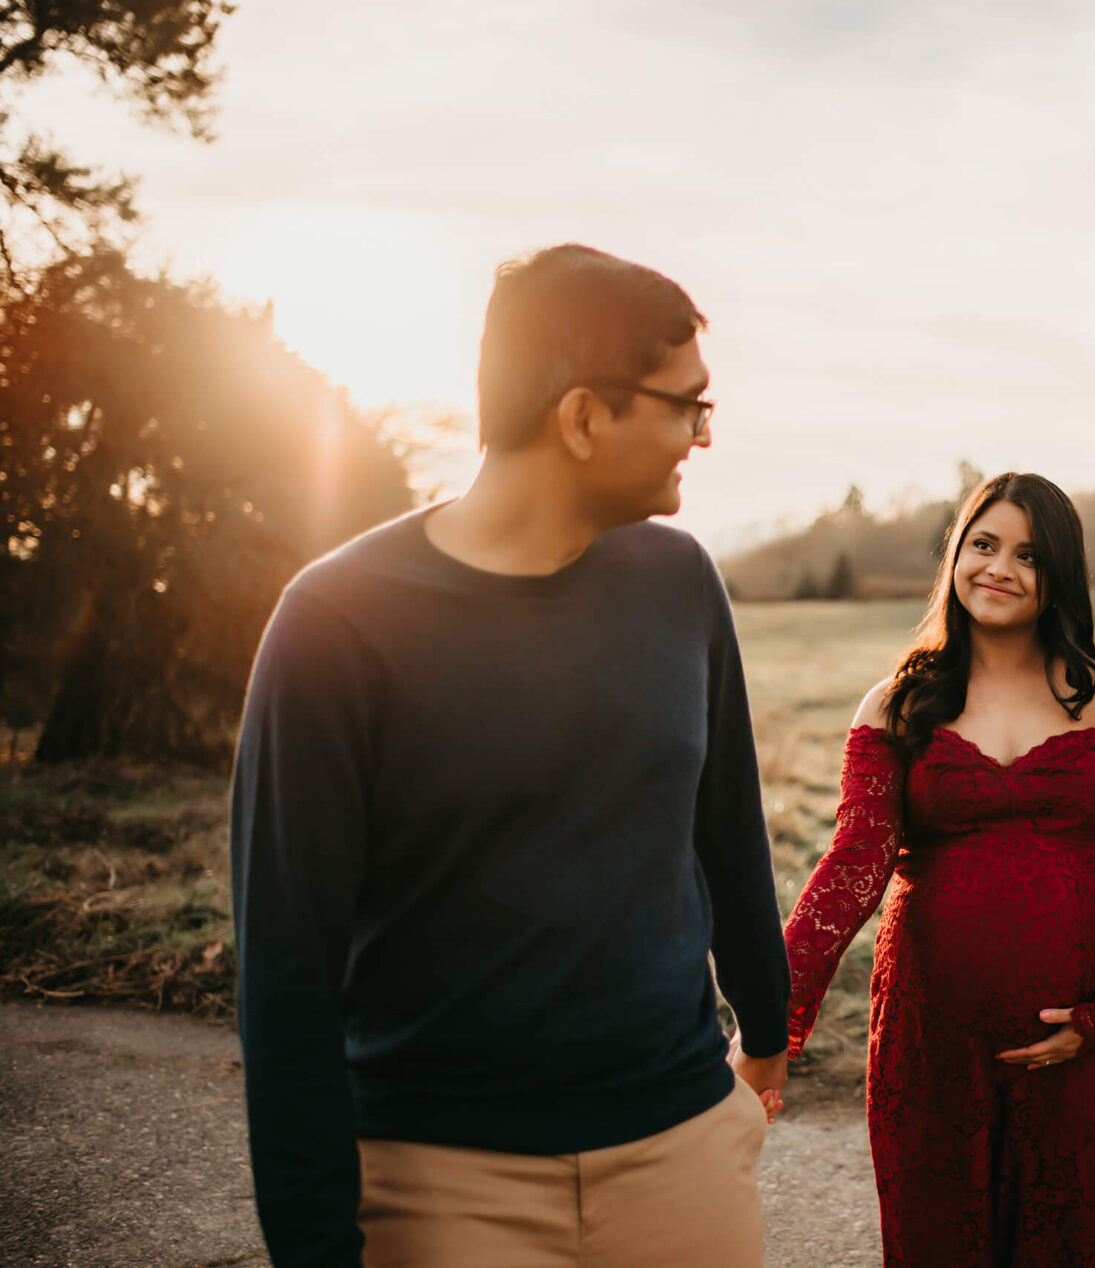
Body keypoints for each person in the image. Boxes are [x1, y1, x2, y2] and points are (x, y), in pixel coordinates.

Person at [230, 244, 790, 1268]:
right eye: (687, 407)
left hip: (680, 1149)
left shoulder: (680, 583)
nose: (702, 436)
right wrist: (315, 1244)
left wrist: (764, 1027)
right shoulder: (334, 624)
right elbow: (287, 979)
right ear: (582, 417)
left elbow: (726, 828)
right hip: (441, 1180)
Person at [782, 472, 1095, 1266]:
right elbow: (853, 869)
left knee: (1071, 1243)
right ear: (957, 557)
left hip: (1080, 1048)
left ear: (1060, 575)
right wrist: (775, 1015)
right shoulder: (896, 706)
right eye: (983, 545)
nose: (999, 568)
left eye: (1028, 555)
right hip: (929, 1039)